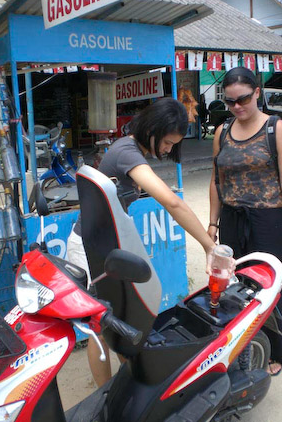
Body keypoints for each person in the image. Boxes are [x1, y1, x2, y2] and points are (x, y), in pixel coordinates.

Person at [68, 97, 216, 387]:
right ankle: (106, 397)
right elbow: (172, 202)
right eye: (168, 142)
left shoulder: (131, 150)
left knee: (124, 318)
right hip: (90, 250)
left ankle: (131, 381)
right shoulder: (127, 152)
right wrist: (208, 245)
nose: (168, 149)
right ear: (153, 130)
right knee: (100, 327)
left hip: (107, 247)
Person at [208, 66, 282, 376]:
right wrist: (213, 223)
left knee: (269, 287)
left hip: (268, 220)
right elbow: (216, 181)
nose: (237, 107)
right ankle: (242, 345)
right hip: (233, 219)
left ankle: (274, 350)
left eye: (243, 99)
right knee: (237, 285)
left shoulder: (277, 129)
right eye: (230, 102)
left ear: (257, 92)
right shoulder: (222, 132)